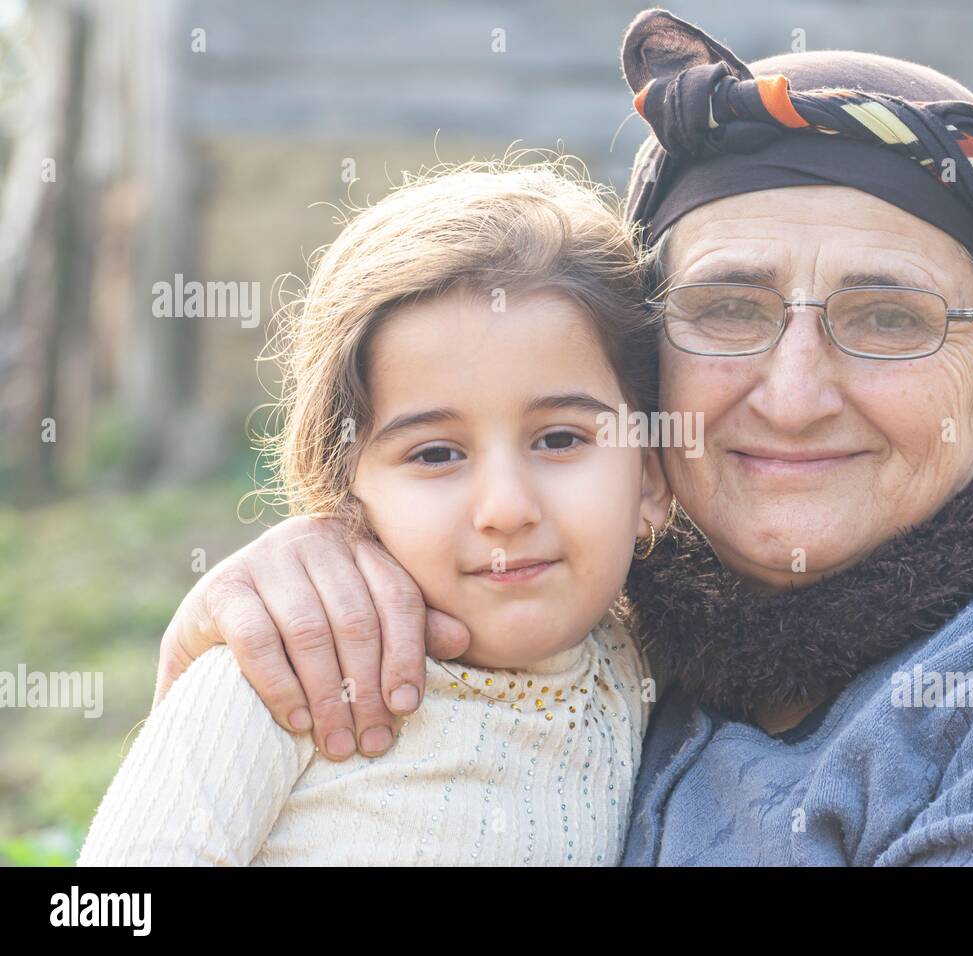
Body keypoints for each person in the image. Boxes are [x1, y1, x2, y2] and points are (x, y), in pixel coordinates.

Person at [150, 11, 973, 865]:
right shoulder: (595, 654)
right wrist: (278, 614)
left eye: (887, 318)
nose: (791, 395)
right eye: (728, 307)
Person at [77, 163, 670, 865]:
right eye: (436, 454)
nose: (507, 509)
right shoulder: (279, 674)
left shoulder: (646, 675)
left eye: (562, 439)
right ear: (347, 494)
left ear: (652, 479)